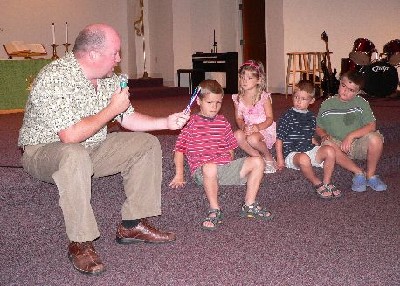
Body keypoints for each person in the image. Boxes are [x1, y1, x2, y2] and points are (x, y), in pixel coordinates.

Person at [17, 23, 190, 275]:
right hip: (44, 151)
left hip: (92, 147)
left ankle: (133, 224)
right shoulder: (54, 77)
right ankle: (80, 242)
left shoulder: (108, 79)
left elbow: (127, 118)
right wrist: (111, 110)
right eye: (115, 53)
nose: (119, 59)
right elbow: (71, 136)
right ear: (94, 54)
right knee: (74, 154)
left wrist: (165, 122)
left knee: (146, 143)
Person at [169, 79, 273, 231]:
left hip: (224, 167)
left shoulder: (223, 121)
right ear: (198, 101)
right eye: (210, 102)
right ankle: (214, 209)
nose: (214, 107)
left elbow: (230, 145)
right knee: (210, 167)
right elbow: (179, 149)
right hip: (203, 171)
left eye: (218, 103)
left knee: (258, 161)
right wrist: (179, 175)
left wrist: (229, 157)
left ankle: (249, 205)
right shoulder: (190, 123)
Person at [316, 70, 387, 192]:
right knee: (327, 144)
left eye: (351, 90)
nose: (345, 91)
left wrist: (351, 136)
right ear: (339, 83)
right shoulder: (327, 104)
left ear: (358, 92)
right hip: (337, 146)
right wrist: (323, 135)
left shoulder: (361, 103)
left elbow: (371, 126)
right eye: (343, 86)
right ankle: (358, 173)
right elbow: (319, 127)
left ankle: (370, 176)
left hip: (357, 144)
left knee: (376, 138)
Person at [275, 80, 341, 199]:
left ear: (311, 101)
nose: (298, 101)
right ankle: (317, 183)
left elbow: (309, 137)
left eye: (303, 99)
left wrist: (318, 148)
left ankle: (327, 182)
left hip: (308, 149)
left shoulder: (311, 117)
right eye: (296, 97)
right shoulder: (287, 116)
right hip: (293, 154)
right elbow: (279, 139)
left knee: (330, 150)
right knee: (304, 158)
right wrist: (280, 159)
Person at [232, 60, 277, 174]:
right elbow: (238, 118)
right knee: (237, 135)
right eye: (242, 77)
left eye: (249, 78)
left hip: (264, 128)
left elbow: (270, 118)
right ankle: (257, 157)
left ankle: (268, 157)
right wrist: (243, 126)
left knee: (252, 139)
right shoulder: (238, 98)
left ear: (259, 80)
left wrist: (258, 127)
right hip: (249, 128)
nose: (244, 81)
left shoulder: (264, 97)